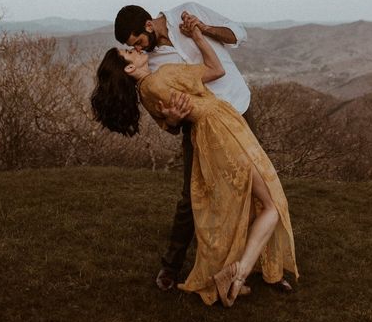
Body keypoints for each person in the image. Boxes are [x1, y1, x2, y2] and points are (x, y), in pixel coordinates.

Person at [92, 21, 299, 306]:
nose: (137, 49)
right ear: (129, 68)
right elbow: (216, 69)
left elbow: (168, 124)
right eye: (130, 51)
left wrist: (175, 119)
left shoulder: (145, 92)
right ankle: (236, 277)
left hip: (209, 136)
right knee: (272, 204)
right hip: (223, 131)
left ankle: (243, 272)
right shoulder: (163, 76)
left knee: (246, 202)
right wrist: (198, 37)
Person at [113, 2, 259, 292]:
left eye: (139, 42)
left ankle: (264, 264)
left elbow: (238, 34)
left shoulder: (189, 11)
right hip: (199, 126)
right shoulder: (150, 66)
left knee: (256, 184)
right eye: (134, 48)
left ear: (148, 25)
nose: (139, 49)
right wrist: (173, 119)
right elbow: (168, 120)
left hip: (237, 107)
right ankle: (171, 266)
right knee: (192, 195)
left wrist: (203, 30)